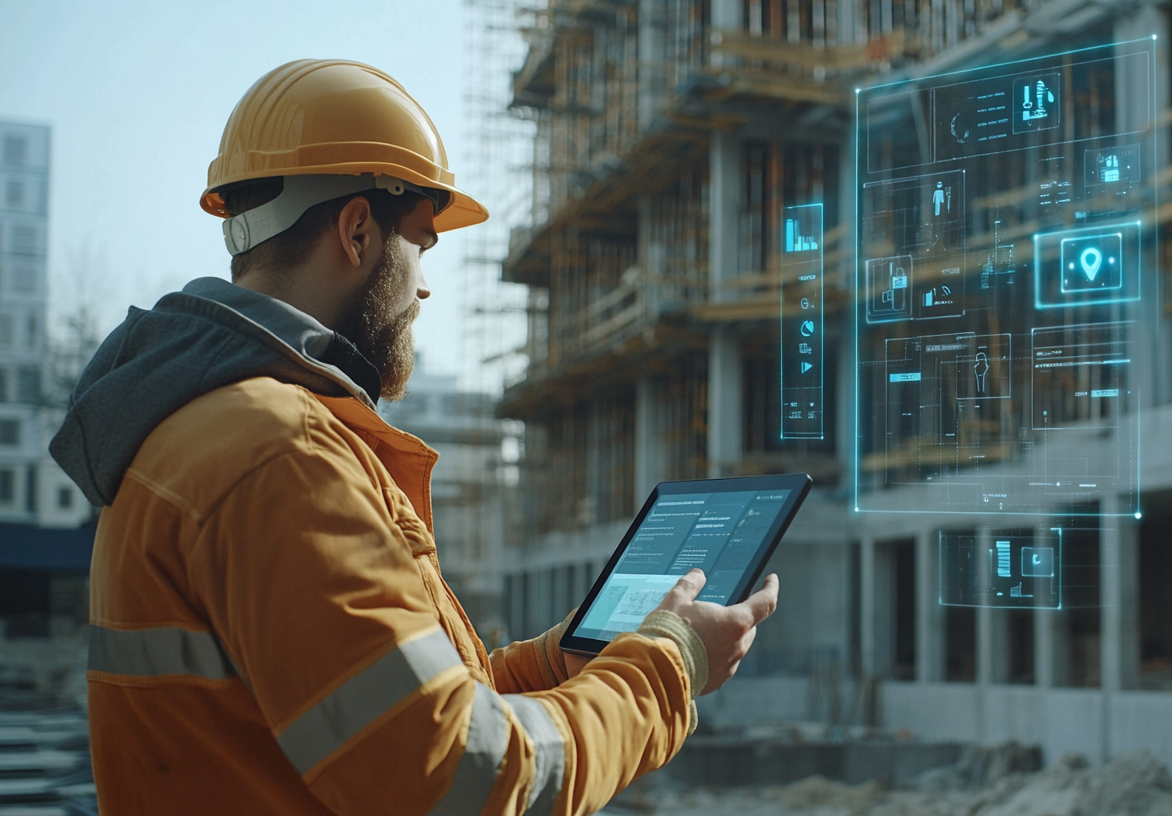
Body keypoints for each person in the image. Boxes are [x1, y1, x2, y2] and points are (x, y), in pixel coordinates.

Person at [49, 59, 779, 815]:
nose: (426, 285)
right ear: (358, 229)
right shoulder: (282, 453)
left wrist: (562, 659)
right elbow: (465, 778)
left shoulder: (191, 428)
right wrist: (670, 665)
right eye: (423, 244)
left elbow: (383, 719)